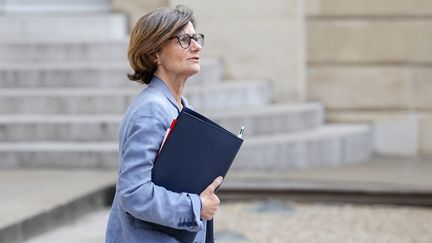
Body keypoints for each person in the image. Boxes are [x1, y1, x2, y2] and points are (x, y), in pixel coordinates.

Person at [105, 5, 222, 243]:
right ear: (154, 54)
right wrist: (196, 206)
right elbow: (133, 192)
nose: (196, 46)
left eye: (196, 38)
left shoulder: (178, 105)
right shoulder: (151, 110)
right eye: (183, 39)